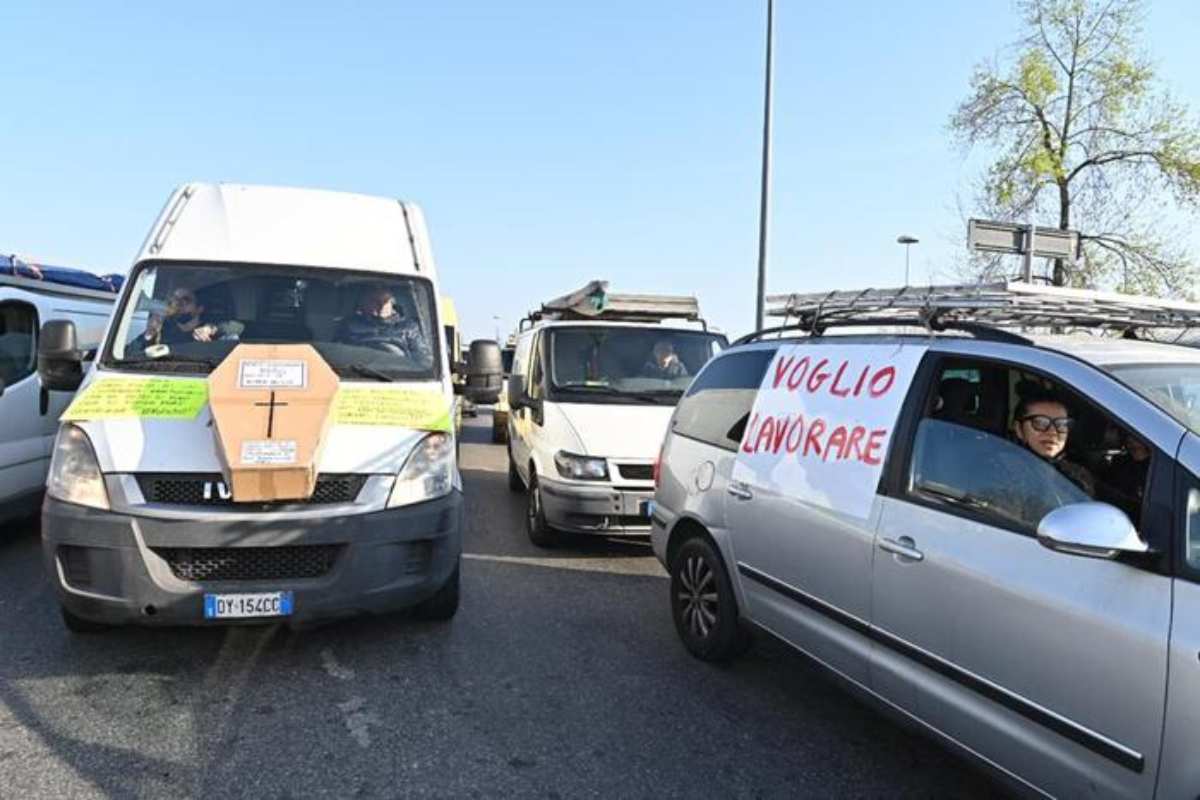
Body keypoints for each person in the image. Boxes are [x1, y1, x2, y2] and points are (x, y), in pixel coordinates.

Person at [1011, 391, 1095, 496]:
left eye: (1061, 424)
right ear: (1019, 428)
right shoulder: (1003, 470)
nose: (1053, 432)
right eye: (1040, 423)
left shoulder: (1078, 476)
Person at [335, 285, 432, 362]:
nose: (381, 306)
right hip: (358, 372)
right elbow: (338, 355)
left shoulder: (409, 328)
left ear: (392, 304)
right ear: (363, 303)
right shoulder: (350, 325)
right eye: (374, 301)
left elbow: (422, 360)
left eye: (385, 302)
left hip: (400, 375)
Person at [135, 287, 241, 350]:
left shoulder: (209, 332)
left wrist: (212, 329)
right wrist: (149, 334)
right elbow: (129, 354)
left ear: (199, 309)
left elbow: (239, 327)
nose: (179, 303)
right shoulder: (163, 331)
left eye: (186, 299)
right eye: (175, 299)